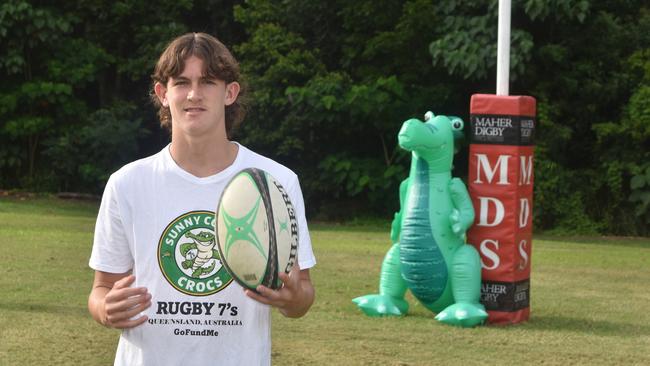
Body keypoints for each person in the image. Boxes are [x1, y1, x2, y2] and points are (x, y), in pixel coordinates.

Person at [87, 32, 316, 366]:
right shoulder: (127, 183)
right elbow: (101, 289)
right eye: (182, 82)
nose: (194, 94)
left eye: (208, 81)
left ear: (230, 92)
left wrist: (293, 299)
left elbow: (303, 292)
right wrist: (105, 309)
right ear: (163, 94)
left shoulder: (274, 182)